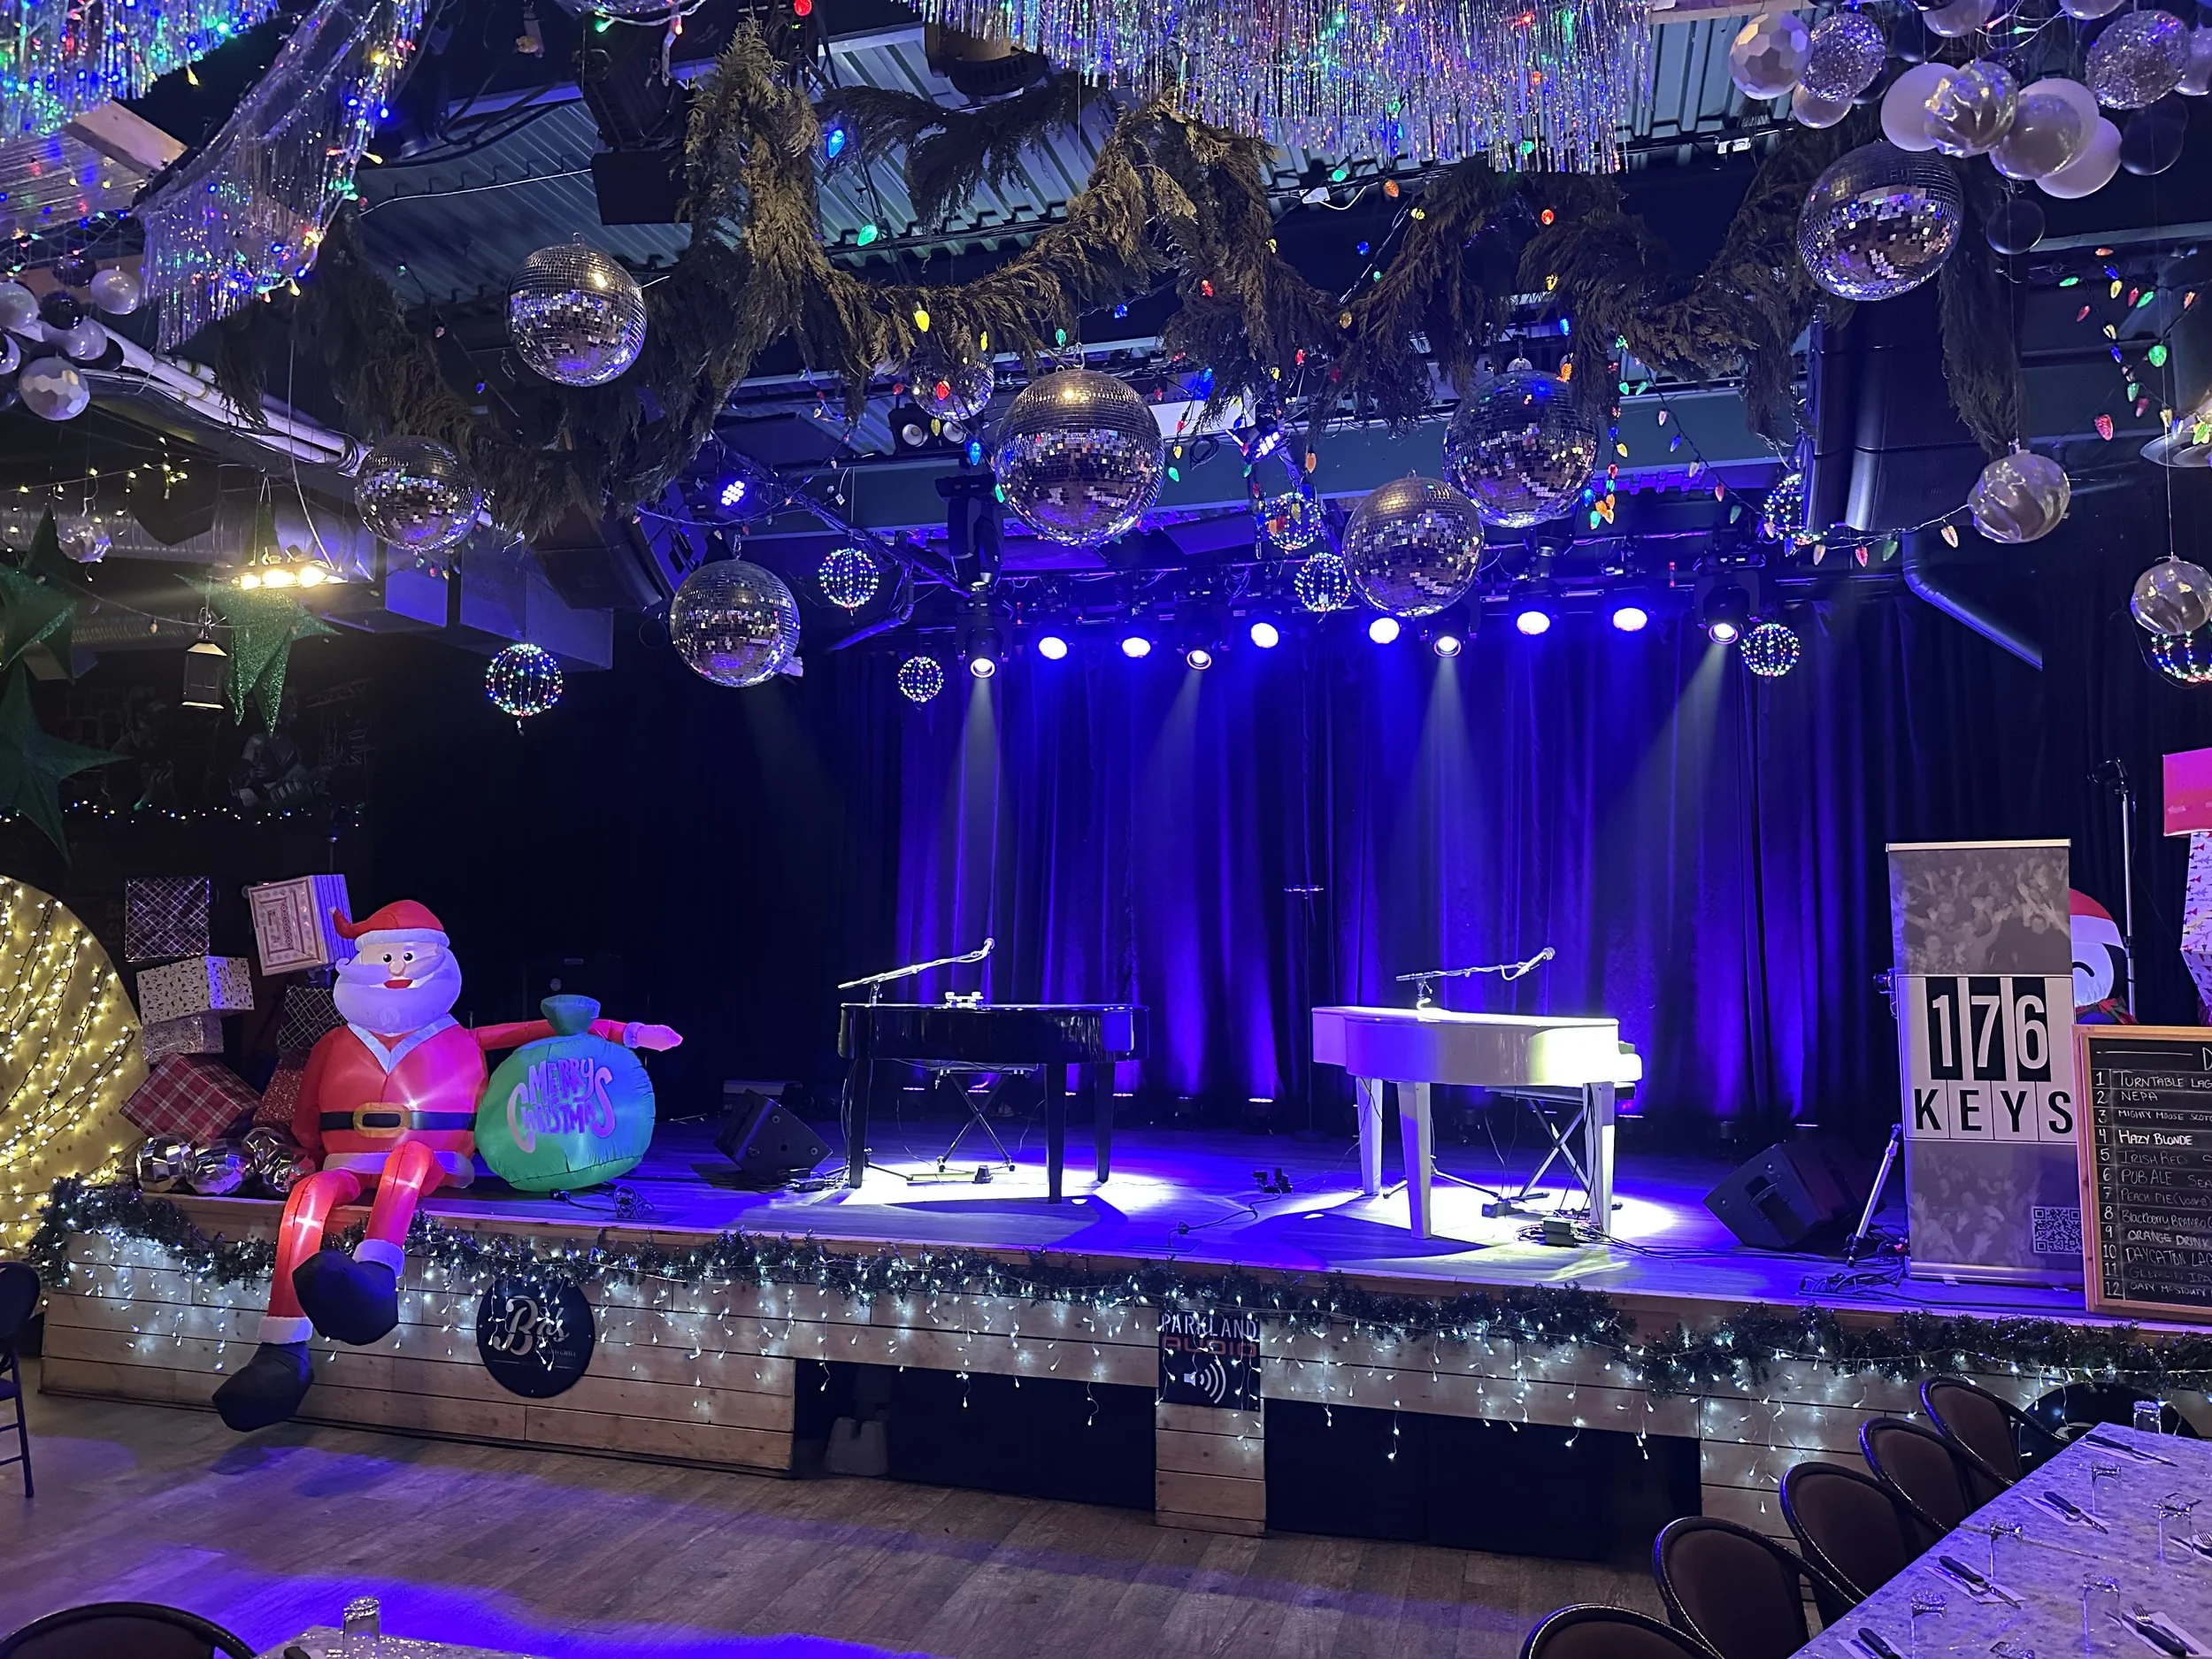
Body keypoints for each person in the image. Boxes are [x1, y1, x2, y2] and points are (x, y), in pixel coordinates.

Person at [212, 900, 679, 1431]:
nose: (396, 970)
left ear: (437, 961)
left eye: (408, 956)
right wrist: (307, 1152)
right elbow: (304, 1117)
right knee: (311, 1194)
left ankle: (377, 1276)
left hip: (430, 1160)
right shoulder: (333, 1043)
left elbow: (539, 1031)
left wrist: (629, 1032)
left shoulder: (457, 1036)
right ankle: (280, 1350)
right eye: (384, 957)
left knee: (407, 1159)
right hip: (346, 1160)